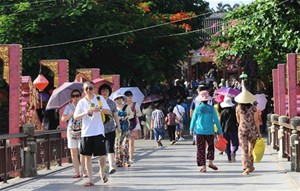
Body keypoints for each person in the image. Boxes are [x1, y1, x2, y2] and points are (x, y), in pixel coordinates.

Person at [73, 81, 111, 186]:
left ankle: (101, 171)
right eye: (86, 89)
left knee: (102, 155)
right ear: (84, 90)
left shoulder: (99, 99)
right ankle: (91, 179)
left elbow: (109, 111)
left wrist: (100, 109)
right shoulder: (81, 102)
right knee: (87, 156)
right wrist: (86, 112)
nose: (89, 90)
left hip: (98, 131)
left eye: (90, 88)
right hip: (86, 132)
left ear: (94, 89)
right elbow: (76, 116)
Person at [189, 90, 223, 173]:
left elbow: (193, 120)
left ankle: (203, 167)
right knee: (211, 147)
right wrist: (219, 131)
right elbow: (216, 120)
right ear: (208, 100)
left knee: (201, 149)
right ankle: (210, 162)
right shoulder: (211, 109)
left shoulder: (197, 108)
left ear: (200, 100)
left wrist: (191, 129)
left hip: (200, 131)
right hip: (210, 132)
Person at [234, 89, 262, 175]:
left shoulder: (238, 108)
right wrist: (259, 133)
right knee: (251, 149)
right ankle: (251, 166)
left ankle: (245, 167)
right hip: (252, 130)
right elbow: (256, 121)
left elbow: (238, 120)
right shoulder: (254, 108)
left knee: (244, 149)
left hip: (242, 130)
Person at [61, 89, 87, 178]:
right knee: (73, 152)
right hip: (71, 131)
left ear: (80, 96)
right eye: (73, 96)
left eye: (77, 95)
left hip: (82, 130)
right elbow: (63, 119)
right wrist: (71, 114)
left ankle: (84, 171)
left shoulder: (83, 105)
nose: (75, 97)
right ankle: (77, 172)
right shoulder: (68, 107)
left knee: (83, 152)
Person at [98, 84, 121, 174]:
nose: (104, 93)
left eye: (106, 91)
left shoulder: (112, 103)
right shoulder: (97, 102)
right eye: (103, 91)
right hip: (99, 129)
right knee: (101, 149)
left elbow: (115, 115)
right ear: (100, 92)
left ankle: (111, 166)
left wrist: (118, 126)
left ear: (109, 93)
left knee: (110, 147)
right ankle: (102, 167)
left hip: (110, 128)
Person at [114, 93, 133, 167]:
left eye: (120, 98)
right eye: (117, 99)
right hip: (117, 129)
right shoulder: (114, 108)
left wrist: (126, 117)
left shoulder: (126, 107)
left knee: (125, 145)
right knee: (117, 145)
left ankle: (126, 161)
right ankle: (118, 161)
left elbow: (131, 115)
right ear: (115, 100)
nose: (119, 100)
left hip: (125, 128)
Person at [124, 90, 142, 163]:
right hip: (124, 124)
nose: (130, 97)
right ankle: (125, 156)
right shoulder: (123, 105)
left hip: (133, 124)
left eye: (131, 95)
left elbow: (140, 114)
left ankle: (131, 157)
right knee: (124, 142)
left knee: (132, 142)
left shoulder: (135, 104)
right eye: (128, 95)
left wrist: (135, 114)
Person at [220, 96, 239, 162]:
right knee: (235, 143)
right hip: (234, 129)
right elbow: (237, 120)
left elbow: (221, 122)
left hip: (225, 130)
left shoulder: (222, 112)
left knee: (227, 144)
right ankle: (233, 152)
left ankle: (229, 158)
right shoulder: (234, 111)